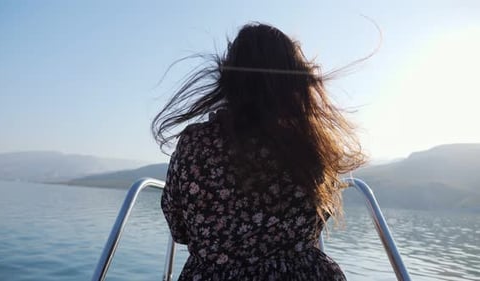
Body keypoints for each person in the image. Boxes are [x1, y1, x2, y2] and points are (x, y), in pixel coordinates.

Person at [152, 23, 366, 281]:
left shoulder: (195, 143)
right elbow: (317, 222)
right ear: (294, 80)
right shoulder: (310, 146)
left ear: (229, 80)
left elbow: (179, 229)